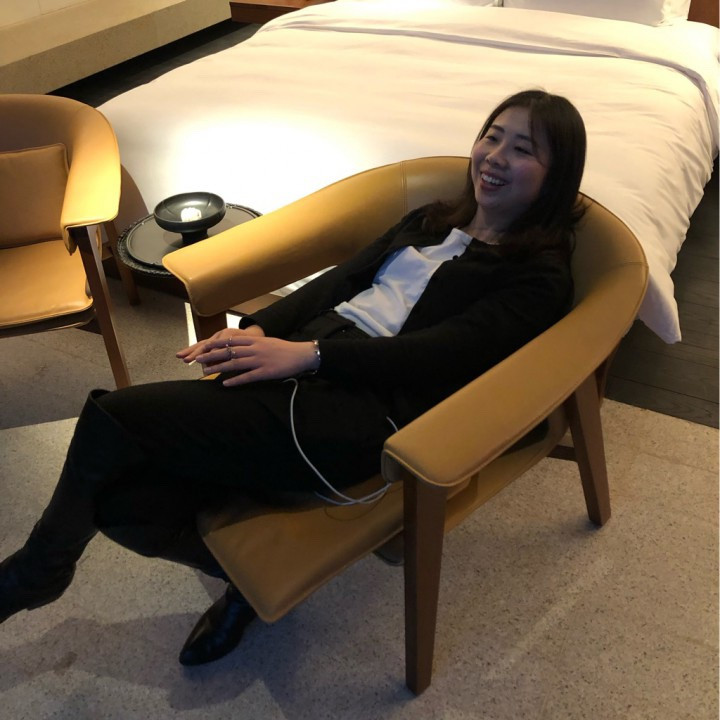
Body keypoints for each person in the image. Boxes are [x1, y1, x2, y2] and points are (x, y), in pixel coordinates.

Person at [0, 89, 587, 666]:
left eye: (523, 149)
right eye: (492, 137)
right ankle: (243, 586)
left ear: (555, 176)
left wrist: (310, 356)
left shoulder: (537, 276)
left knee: (113, 418)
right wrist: (260, 329)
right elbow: (338, 281)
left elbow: (442, 356)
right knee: (119, 503)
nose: (495, 157)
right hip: (307, 360)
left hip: (363, 412)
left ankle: (33, 573)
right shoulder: (432, 219)